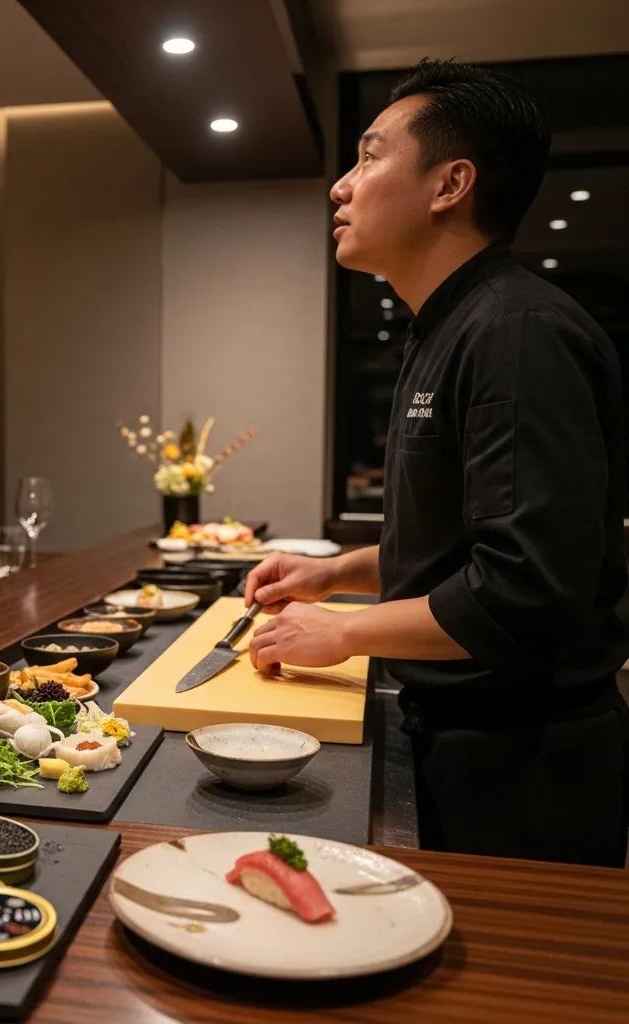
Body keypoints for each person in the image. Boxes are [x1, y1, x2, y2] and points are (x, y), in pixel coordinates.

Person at [245, 59, 629, 867]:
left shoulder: (516, 333)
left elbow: (523, 593)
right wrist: (337, 573)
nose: (341, 187)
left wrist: (344, 632)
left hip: (520, 763)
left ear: (449, 184)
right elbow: (463, 547)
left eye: (370, 155)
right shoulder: (448, 325)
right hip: (463, 737)